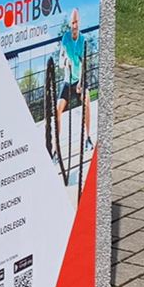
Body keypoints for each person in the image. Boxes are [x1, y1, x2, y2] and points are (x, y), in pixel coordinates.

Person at [53, 12, 90, 183]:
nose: (74, 25)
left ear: (79, 22)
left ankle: (87, 138)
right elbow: (60, 61)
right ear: (70, 24)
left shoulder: (82, 40)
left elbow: (83, 64)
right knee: (57, 110)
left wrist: (81, 83)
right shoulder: (65, 39)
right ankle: (55, 148)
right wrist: (64, 62)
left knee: (87, 102)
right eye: (72, 23)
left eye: (76, 22)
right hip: (67, 81)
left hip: (78, 80)